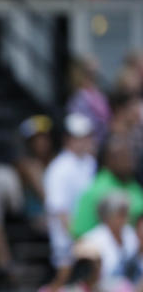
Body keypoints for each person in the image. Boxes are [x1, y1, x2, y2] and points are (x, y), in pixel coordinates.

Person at [44, 113, 98, 268]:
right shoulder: (58, 168)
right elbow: (60, 211)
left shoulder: (90, 163)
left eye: (86, 136)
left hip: (90, 242)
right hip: (67, 247)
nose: (83, 141)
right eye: (78, 137)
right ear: (67, 139)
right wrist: (79, 240)